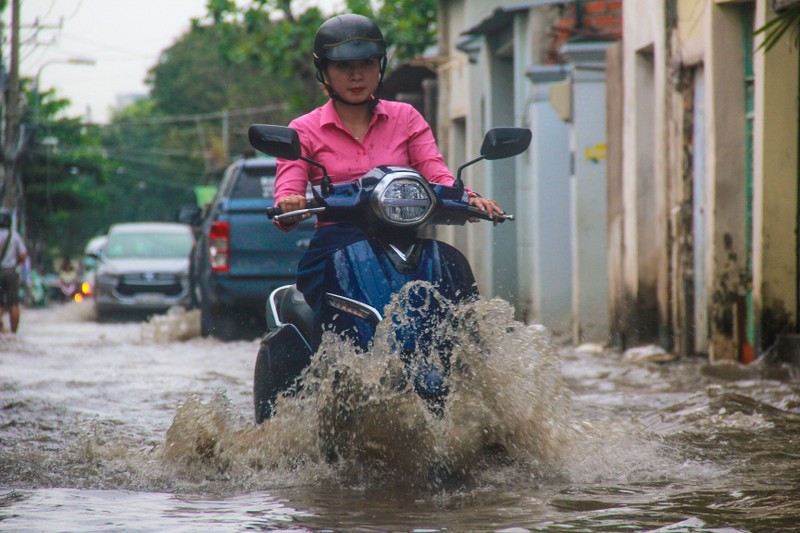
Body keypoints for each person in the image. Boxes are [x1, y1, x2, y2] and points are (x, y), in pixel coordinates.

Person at [274, 13, 504, 314]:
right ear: (325, 71)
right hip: (336, 245)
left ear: (379, 65)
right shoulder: (303, 129)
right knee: (334, 317)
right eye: (344, 66)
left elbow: (435, 171)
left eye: (367, 63)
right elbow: (287, 194)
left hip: (403, 240)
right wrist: (290, 203)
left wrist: (469, 198)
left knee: (456, 307)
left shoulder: (406, 117)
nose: (357, 75)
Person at [0, 208, 28, 334]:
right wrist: (15, 263)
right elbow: (23, 255)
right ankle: (13, 333)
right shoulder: (14, 237)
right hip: (11, 271)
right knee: (13, 303)